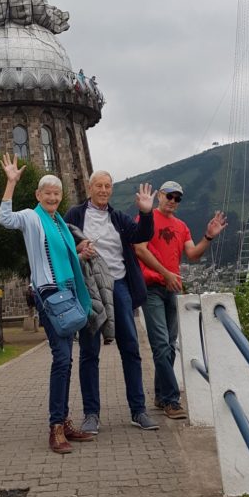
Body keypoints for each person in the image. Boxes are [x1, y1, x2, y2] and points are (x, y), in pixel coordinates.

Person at [0, 153, 93, 454]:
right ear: (38, 195)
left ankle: (62, 421)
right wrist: (11, 183)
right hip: (50, 296)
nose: (52, 197)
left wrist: (80, 256)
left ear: (60, 197)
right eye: (47, 193)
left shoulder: (60, 223)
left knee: (66, 359)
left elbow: (62, 262)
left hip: (68, 293)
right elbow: (4, 218)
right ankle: (55, 428)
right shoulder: (31, 216)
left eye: (56, 193)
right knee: (62, 358)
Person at [65, 171, 159, 433]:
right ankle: (91, 414)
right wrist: (78, 249)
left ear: (111, 190)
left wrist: (147, 212)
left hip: (118, 285)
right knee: (89, 350)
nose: (103, 190)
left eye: (107, 186)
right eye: (99, 186)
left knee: (130, 347)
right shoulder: (74, 215)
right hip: (90, 287)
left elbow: (142, 234)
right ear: (89, 187)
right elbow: (61, 245)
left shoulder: (117, 218)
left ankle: (138, 410)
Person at [134, 180, 227, 420]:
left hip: (172, 289)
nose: (173, 201)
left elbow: (193, 254)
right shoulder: (146, 219)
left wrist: (208, 236)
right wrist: (165, 274)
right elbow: (140, 249)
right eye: (169, 196)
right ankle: (172, 400)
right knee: (162, 345)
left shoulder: (182, 226)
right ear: (159, 196)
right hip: (152, 287)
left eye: (178, 198)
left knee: (169, 344)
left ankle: (160, 395)